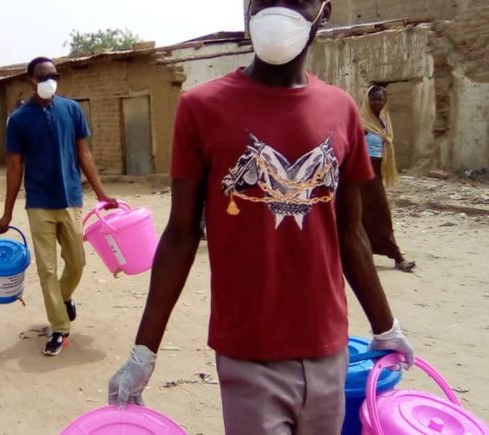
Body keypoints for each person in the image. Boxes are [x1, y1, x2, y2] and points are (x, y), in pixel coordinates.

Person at [107, 2, 416, 433]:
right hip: (248, 353)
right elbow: (180, 235)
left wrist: (386, 326)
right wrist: (145, 351)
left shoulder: (342, 110)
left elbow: (351, 235)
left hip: (331, 353)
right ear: (247, 9)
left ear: (323, 13)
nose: (279, 8)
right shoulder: (201, 108)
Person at [0, 57, 117, 356]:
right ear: (30, 80)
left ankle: (62, 299)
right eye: (42, 76)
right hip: (39, 203)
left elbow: (84, 153)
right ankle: (60, 328)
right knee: (47, 269)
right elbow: (14, 168)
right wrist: (8, 212)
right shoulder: (19, 119)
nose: (49, 80)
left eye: (54, 75)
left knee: (77, 262)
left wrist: (102, 194)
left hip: (71, 199)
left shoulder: (71, 109)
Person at [360, 85, 416, 272]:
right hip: (363, 173)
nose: (377, 103)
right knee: (381, 214)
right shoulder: (361, 123)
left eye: (381, 99)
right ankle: (398, 257)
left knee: (364, 216)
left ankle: (360, 254)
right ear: (367, 101)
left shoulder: (383, 121)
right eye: (374, 99)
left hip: (377, 171)